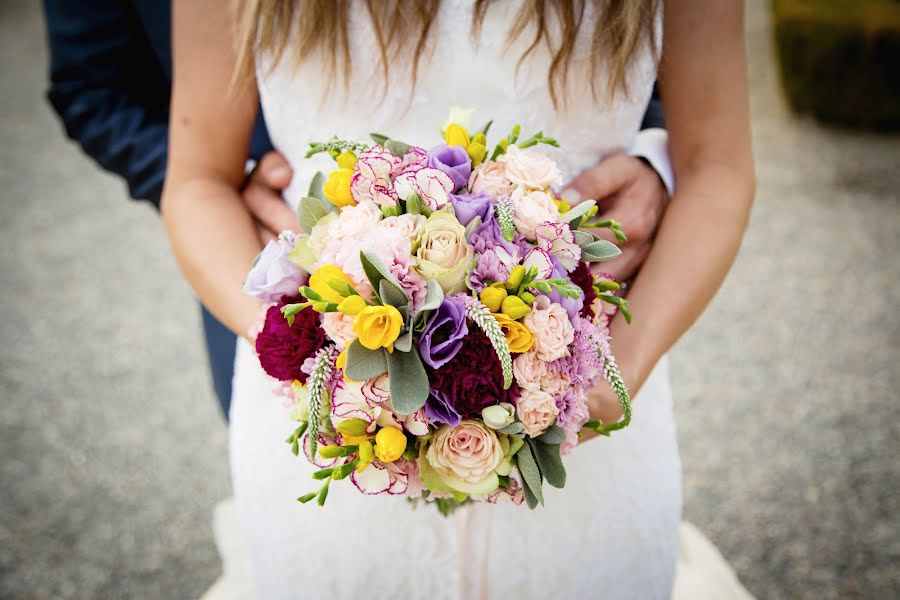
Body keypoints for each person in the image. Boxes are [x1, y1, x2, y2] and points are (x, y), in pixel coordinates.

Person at [164, 1, 754, 597]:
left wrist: (617, 370)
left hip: (586, 405)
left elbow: (717, 164)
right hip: (332, 415)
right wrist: (313, 358)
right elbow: (196, 179)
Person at [41, 0, 670, 421]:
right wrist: (314, 358)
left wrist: (657, 160)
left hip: (582, 383)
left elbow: (715, 156)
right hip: (320, 365)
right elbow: (141, 124)